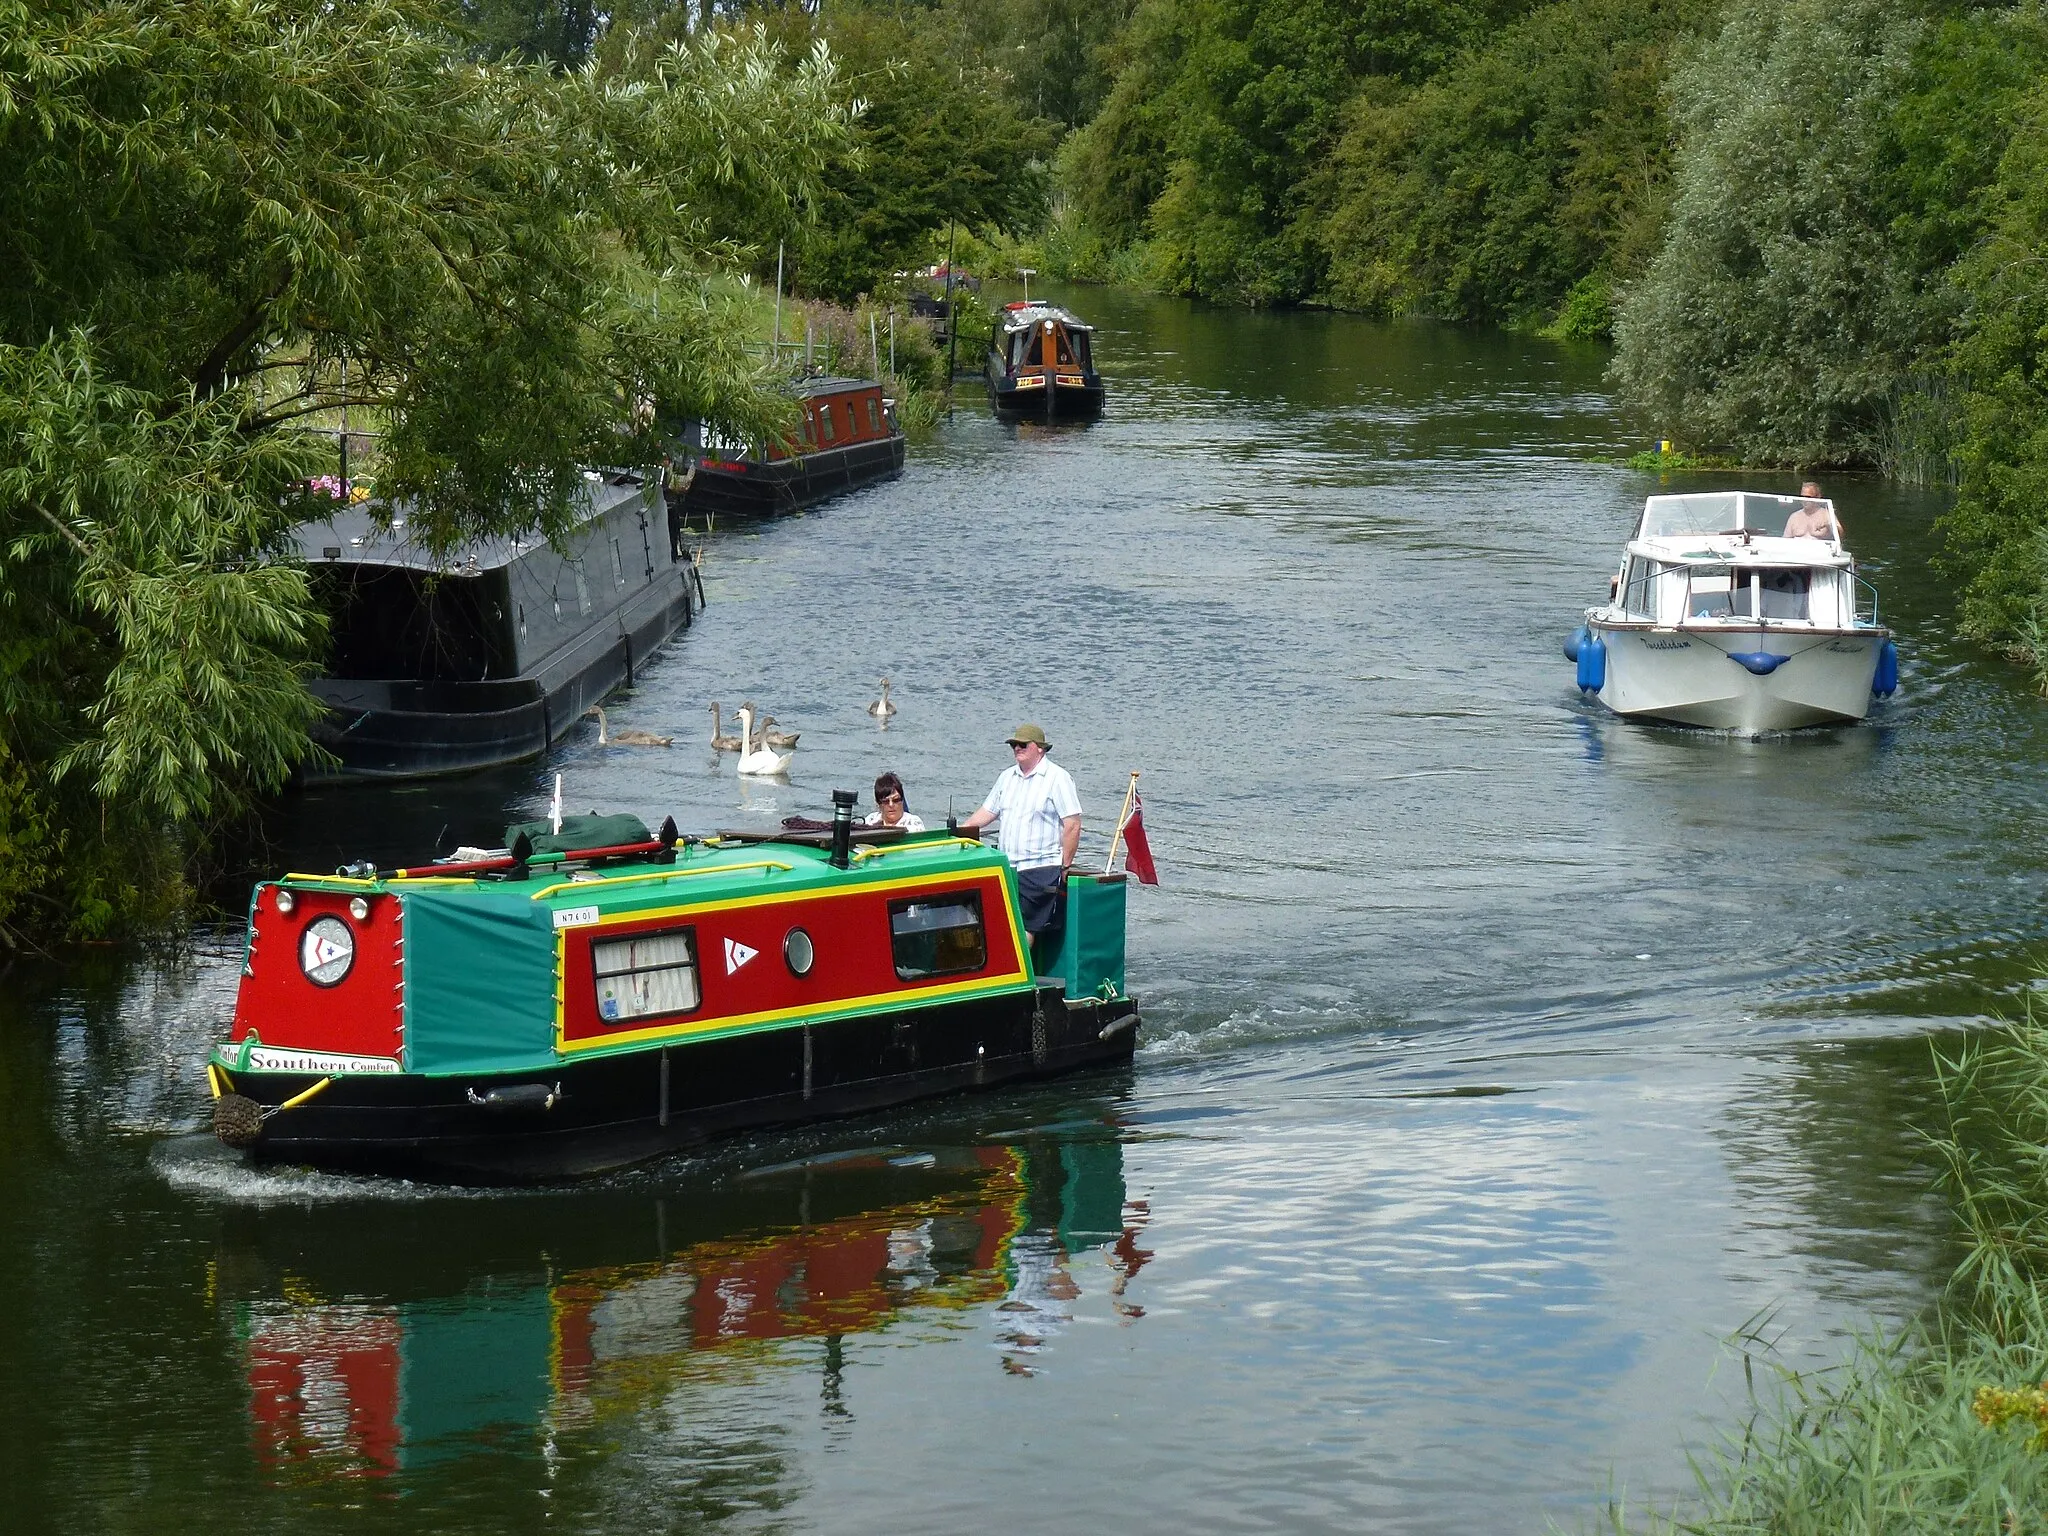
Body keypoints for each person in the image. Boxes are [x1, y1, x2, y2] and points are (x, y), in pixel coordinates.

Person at [956, 724, 1081, 961]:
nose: (1017, 749)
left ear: (1040, 749)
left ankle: (1013, 973)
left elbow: (1072, 824)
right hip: (1008, 867)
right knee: (1000, 924)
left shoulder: (1057, 779)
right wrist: (957, 833)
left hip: (1040, 868)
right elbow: (986, 812)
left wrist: (1064, 866)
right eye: (1014, 745)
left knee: (1025, 927)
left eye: (1023, 745)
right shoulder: (1007, 778)